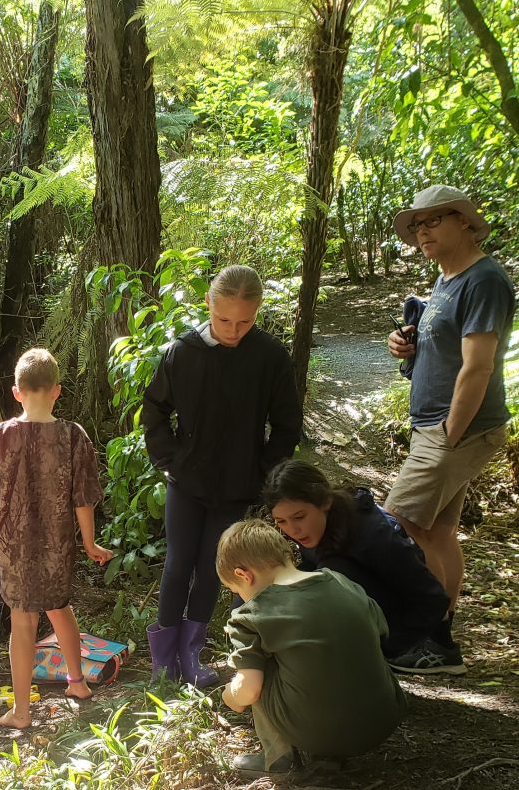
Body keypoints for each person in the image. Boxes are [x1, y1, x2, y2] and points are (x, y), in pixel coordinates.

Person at [141, 264, 302, 685]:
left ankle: (192, 654)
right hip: (187, 482)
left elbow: (287, 425)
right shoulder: (183, 352)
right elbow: (154, 409)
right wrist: (169, 459)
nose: (233, 331)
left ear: (258, 312)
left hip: (236, 486)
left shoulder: (269, 356)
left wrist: (263, 472)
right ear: (209, 307)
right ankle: (163, 660)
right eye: (223, 320)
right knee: (177, 564)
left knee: (216, 566)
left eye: (244, 321)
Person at [386, 185, 516, 672]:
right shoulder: (447, 279)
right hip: (438, 427)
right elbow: (447, 349)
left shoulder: (484, 280)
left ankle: (424, 633)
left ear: (464, 221)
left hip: (456, 430)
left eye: (433, 221)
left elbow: (478, 367)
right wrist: (408, 347)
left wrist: (449, 432)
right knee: (438, 531)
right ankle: (439, 641)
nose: (422, 232)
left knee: (396, 523)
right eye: (416, 226)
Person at [0, 347, 112, 729]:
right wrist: (89, 542)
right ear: (57, 390)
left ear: (16, 391)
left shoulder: (0, 436)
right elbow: (83, 498)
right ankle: (77, 683)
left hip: (16, 545)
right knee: (60, 608)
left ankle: (21, 712)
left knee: (23, 624)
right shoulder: (73, 436)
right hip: (57, 544)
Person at [217, 519, 406, 778]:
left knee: (257, 666)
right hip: (383, 720)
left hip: (315, 731)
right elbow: (381, 630)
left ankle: (277, 759)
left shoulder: (251, 615)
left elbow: (249, 691)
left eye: (236, 591)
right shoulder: (340, 582)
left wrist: (229, 696)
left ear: (243, 575)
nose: (241, 598)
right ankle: (329, 755)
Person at [263, 459, 451, 664]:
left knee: (332, 574)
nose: (292, 529)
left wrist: (389, 649)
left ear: (325, 502)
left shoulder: (372, 535)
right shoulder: (316, 528)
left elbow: (433, 598)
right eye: (281, 521)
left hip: (396, 623)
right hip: (365, 610)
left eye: (299, 517)